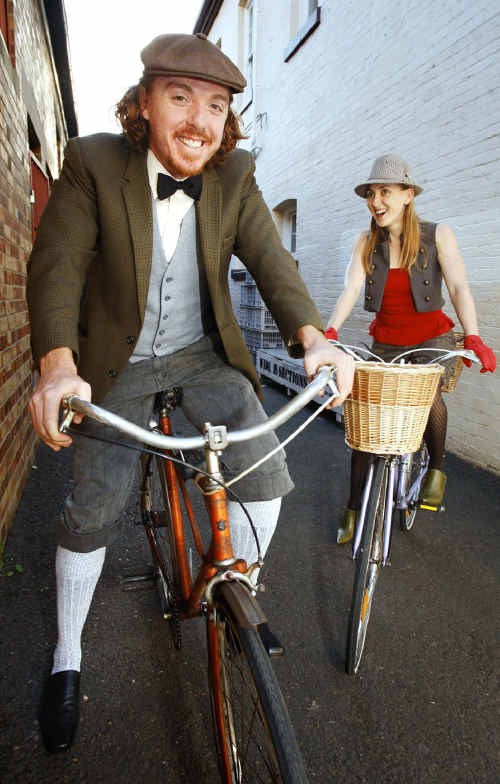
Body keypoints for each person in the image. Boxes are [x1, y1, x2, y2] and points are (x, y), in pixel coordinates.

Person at [27, 33, 354, 753]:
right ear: (144, 103)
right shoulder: (92, 162)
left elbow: (271, 258)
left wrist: (313, 338)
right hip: (115, 364)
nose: (198, 122)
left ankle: (238, 592)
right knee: (94, 507)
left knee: (265, 476)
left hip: (203, 356)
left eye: (215, 106)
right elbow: (56, 264)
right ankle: (68, 654)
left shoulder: (236, 174)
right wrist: (57, 364)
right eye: (179, 98)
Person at [324, 154, 496, 544]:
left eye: (385, 191)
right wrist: (330, 330)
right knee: (367, 426)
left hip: (431, 336)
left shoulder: (438, 235)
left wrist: (473, 336)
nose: (376, 200)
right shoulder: (366, 243)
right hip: (385, 339)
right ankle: (353, 509)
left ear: (406, 195)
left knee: (428, 395)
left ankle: (436, 468)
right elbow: (352, 288)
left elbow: (458, 287)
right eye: (371, 193)